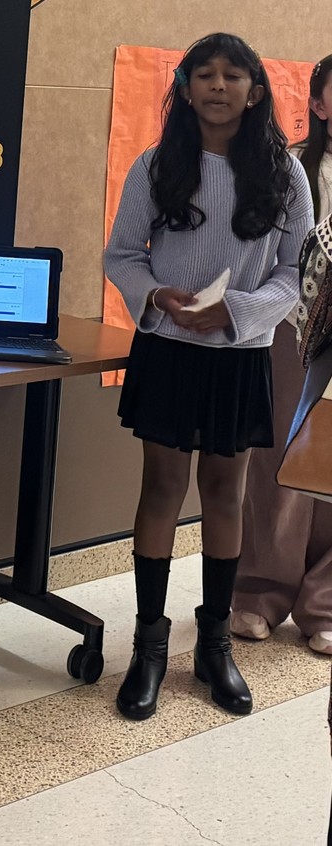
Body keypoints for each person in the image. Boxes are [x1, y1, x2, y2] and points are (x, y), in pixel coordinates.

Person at [104, 33, 313, 721]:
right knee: (161, 486)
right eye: (203, 74)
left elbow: (294, 274)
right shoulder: (157, 164)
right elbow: (122, 256)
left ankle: (216, 646)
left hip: (239, 351)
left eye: (233, 75)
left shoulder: (284, 174)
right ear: (186, 88)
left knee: (225, 492)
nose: (217, 85)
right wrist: (157, 296)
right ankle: (149, 648)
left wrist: (238, 311)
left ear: (256, 91)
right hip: (167, 347)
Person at [232, 53, 332, 654]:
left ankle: (324, 605)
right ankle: (260, 593)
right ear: (318, 105)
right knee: (279, 462)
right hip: (296, 333)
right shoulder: (290, 170)